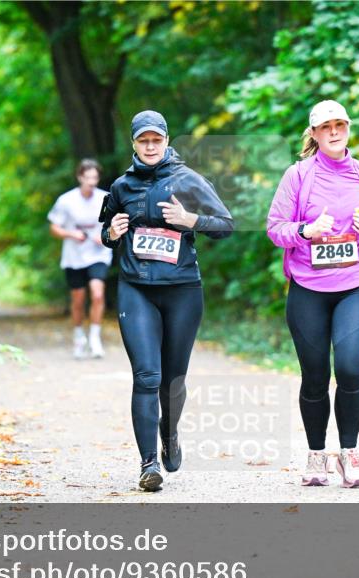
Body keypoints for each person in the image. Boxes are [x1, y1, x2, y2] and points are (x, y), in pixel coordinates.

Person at [101, 110, 234, 491]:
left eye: (156, 140)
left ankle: (169, 432)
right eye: (143, 141)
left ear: (166, 141)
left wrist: (191, 220)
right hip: (136, 289)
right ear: (134, 144)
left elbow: (225, 225)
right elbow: (106, 231)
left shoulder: (187, 180)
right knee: (147, 376)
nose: (150, 147)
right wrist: (111, 233)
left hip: (182, 291)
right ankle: (149, 465)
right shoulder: (121, 186)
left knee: (172, 381)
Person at [266, 100, 359, 488]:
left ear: (348, 128)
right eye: (326, 127)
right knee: (315, 377)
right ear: (315, 134)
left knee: (351, 369)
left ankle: (349, 453)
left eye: (340, 124)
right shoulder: (298, 175)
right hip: (308, 290)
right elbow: (275, 228)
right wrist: (306, 231)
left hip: (353, 287)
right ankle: (317, 455)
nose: (334, 131)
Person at [48, 159, 113, 359]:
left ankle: (94, 338)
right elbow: (54, 227)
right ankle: (78, 337)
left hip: (98, 254)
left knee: (98, 294)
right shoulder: (66, 201)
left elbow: (113, 224)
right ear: (79, 177)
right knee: (78, 300)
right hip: (74, 256)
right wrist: (71, 234)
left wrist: (105, 235)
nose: (91, 182)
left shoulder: (105, 198)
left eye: (95, 178)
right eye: (87, 178)